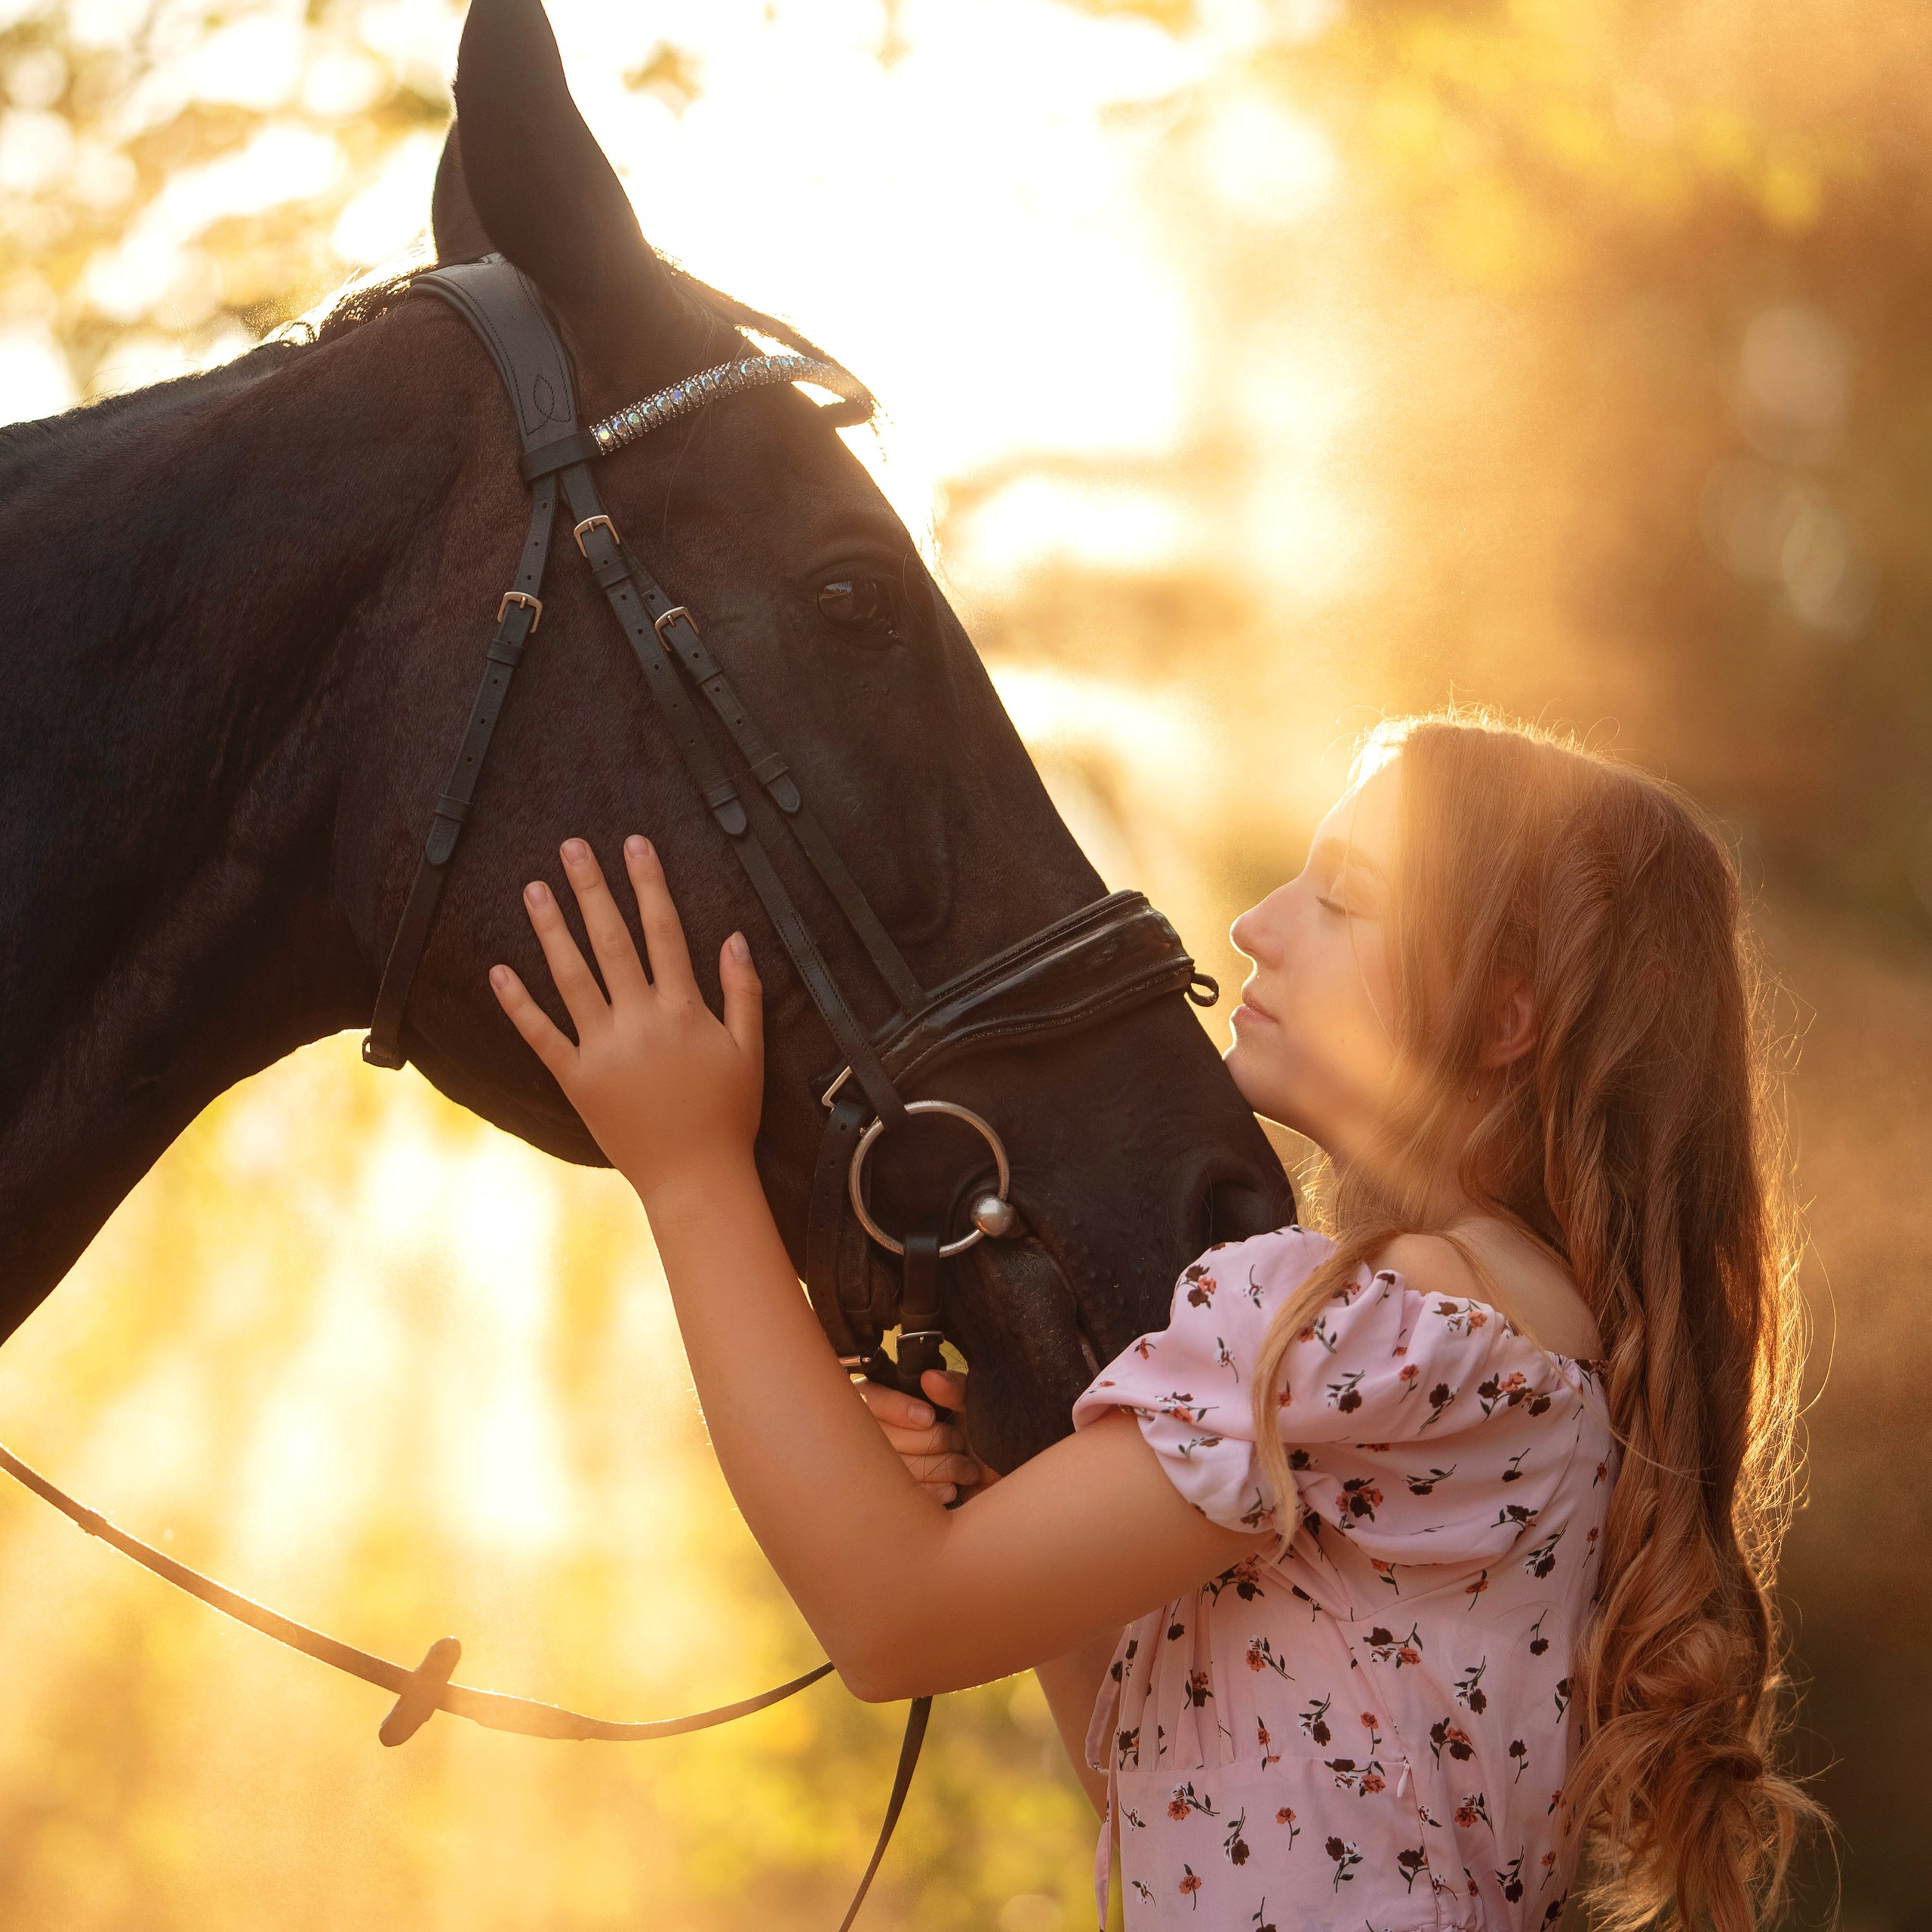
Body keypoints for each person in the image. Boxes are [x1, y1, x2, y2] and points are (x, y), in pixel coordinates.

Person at [487, 710, 1819, 1932]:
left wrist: (686, 1167)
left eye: (1342, 899)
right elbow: (1156, 1772)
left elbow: (893, 1623)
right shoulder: (1530, 1360)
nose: (1254, 925)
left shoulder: (1366, 1323)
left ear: (1509, 1014)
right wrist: (1000, 1492)